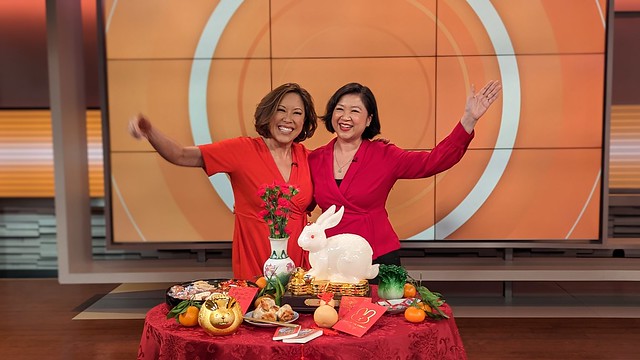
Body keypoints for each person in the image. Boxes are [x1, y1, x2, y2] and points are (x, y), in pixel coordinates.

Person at [128, 83, 318, 280]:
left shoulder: (310, 159)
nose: (288, 119)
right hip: (254, 268)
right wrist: (149, 131)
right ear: (268, 113)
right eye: (281, 110)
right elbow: (181, 155)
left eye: (297, 113)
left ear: (305, 121)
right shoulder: (242, 150)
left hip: (300, 271)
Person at [308, 80, 502, 267]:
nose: (345, 117)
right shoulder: (314, 159)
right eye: (340, 109)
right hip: (331, 256)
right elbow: (301, 201)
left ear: (369, 120)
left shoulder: (385, 155)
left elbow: (434, 161)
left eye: (355, 111)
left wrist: (469, 119)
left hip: (376, 255)